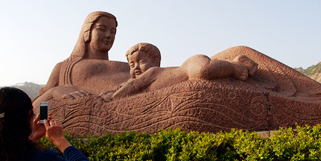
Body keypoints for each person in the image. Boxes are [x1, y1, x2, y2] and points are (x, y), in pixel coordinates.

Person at [33, 11, 130, 108]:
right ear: (87, 32)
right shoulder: (64, 67)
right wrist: (53, 92)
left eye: (113, 32)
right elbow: (34, 108)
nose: (108, 35)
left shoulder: (127, 67)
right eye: (102, 29)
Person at [100, 43, 258, 101]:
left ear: (155, 63)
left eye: (141, 62)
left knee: (202, 71)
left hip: (191, 65)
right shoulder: (138, 89)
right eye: (132, 64)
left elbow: (133, 86)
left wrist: (113, 98)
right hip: (189, 70)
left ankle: (235, 64)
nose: (136, 68)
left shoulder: (153, 72)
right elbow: (128, 86)